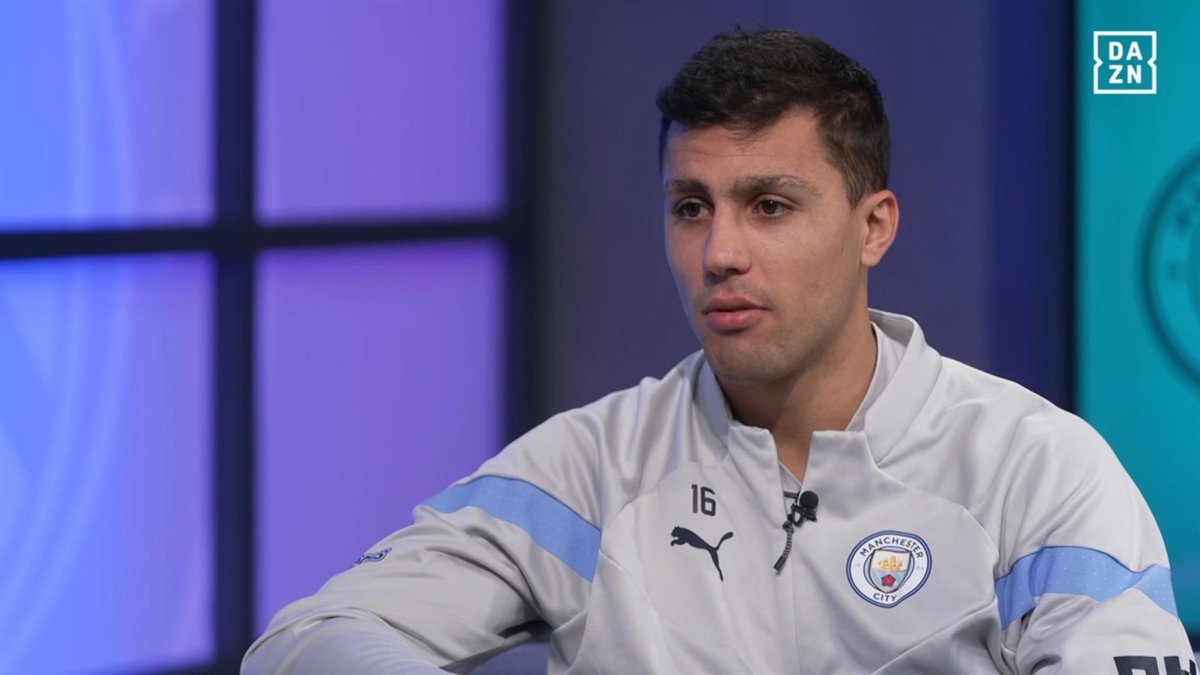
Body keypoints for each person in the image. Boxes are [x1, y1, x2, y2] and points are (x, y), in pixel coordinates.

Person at [242, 28, 1193, 674]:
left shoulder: (1034, 469)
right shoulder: (592, 471)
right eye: (691, 207)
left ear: (874, 226)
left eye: (769, 206)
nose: (719, 253)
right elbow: (309, 638)